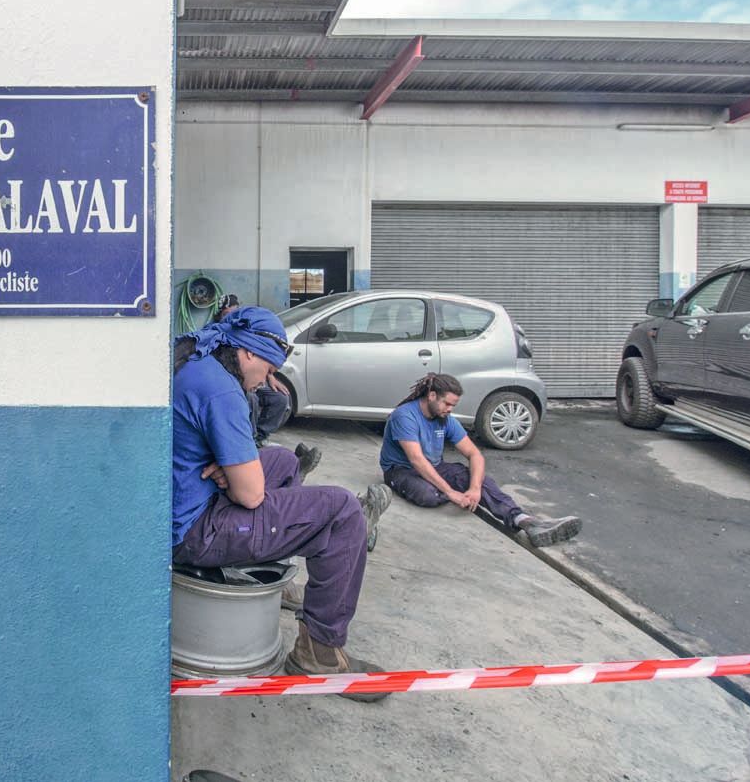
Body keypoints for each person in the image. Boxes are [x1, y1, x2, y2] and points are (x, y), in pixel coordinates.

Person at [172, 306, 393, 696]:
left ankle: (269, 570)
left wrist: (229, 468)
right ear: (249, 353)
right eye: (270, 370)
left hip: (179, 500)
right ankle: (318, 653)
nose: (267, 382)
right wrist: (238, 476)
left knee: (283, 460)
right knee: (341, 512)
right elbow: (251, 494)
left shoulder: (201, 362)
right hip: (192, 529)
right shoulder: (222, 389)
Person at [379, 373, 581, 548]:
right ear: (432, 396)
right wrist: (452, 493)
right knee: (427, 495)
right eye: (447, 403)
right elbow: (417, 460)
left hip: (435, 467)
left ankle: (527, 522)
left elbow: (475, 455)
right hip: (401, 470)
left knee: (480, 481)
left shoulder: (445, 419)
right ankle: (447, 492)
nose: (450, 409)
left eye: (453, 405)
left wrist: (474, 488)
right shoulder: (405, 416)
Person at [213, 294, 320, 479]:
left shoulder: (249, 341)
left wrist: (269, 375)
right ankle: (283, 467)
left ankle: (262, 441)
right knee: (250, 398)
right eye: (229, 313)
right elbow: (250, 496)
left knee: (280, 397)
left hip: (245, 376)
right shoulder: (219, 343)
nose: (233, 316)